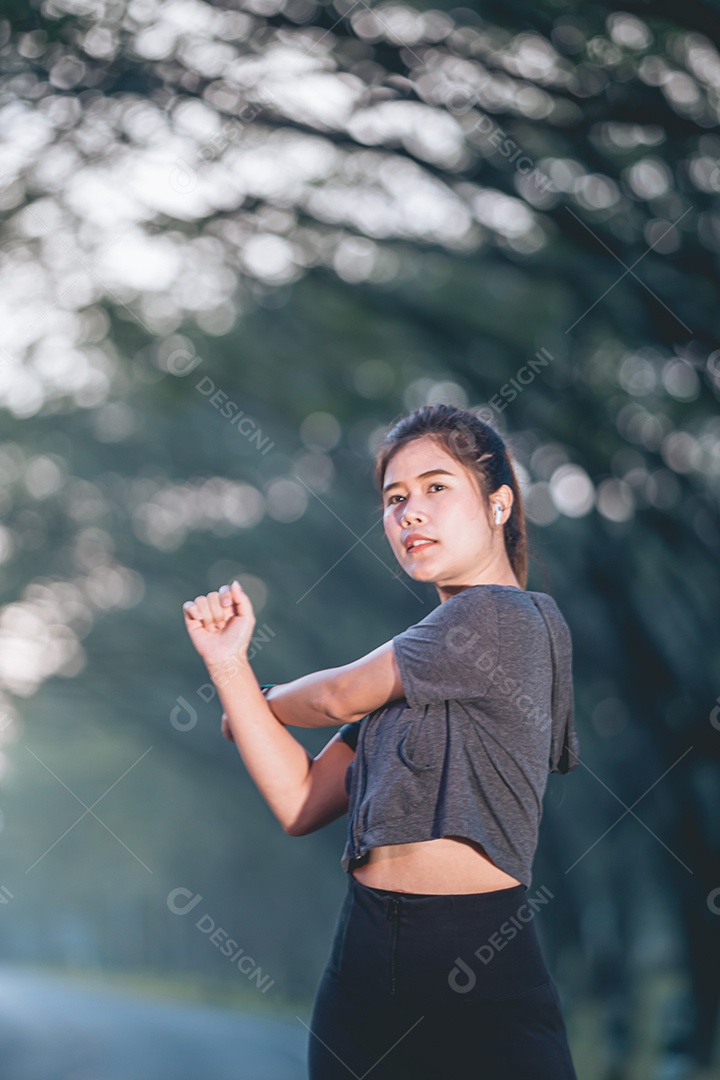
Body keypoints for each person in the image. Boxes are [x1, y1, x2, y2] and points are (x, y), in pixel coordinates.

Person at [182, 403, 580, 1079]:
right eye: (395, 499)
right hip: (362, 957)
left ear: (499, 504)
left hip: (476, 960)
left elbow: (335, 695)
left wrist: (254, 704)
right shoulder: (413, 680)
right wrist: (228, 667)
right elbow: (300, 800)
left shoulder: (505, 615)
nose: (410, 513)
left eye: (435, 487)